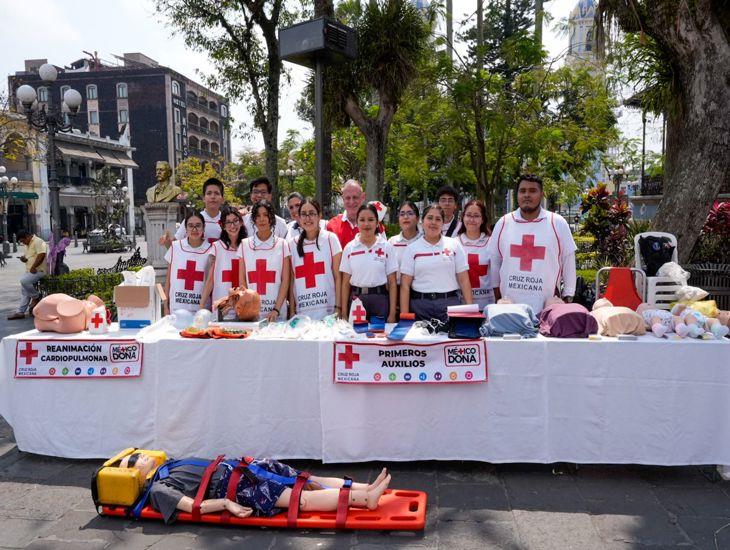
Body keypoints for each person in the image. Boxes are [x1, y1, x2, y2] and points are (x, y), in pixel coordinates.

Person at [119, 451, 391, 524]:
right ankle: (362, 500)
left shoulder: (171, 463)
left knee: (303, 479)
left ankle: (366, 488)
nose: (141, 457)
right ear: (133, 474)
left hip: (242, 468)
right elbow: (194, 506)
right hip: (235, 490)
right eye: (134, 460)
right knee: (298, 499)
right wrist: (227, 504)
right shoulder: (158, 490)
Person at [486, 174, 577, 314]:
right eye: (522, 191)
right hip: (509, 309)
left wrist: (568, 296)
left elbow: (568, 260)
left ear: (542, 194)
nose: (527, 195)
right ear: (516, 195)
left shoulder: (557, 223)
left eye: (532, 191)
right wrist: (498, 297)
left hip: (547, 309)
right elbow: (495, 262)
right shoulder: (504, 223)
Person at [399, 205, 473, 323]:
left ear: (443, 223)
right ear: (422, 222)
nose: (433, 222)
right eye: (430, 218)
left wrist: (470, 312)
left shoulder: (454, 245)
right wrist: (404, 317)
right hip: (420, 307)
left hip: (449, 305)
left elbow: (464, 280)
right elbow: (405, 286)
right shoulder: (412, 249)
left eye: (438, 219)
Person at [340, 204, 398, 323]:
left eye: (371, 220)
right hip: (357, 300)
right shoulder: (350, 248)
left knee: (380, 339)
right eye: (362, 220)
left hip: (380, 301)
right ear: (357, 222)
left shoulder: (386, 247)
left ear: (377, 223)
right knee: (357, 339)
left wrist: (392, 313)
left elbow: (392, 283)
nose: (366, 224)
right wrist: (344, 313)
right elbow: (345, 283)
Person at [289, 198, 342, 320]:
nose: (308, 218)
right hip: (302, 315)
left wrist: (338, 308)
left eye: (312, 213)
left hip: (328, 313)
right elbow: (292, 280)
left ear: (319, 216)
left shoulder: (330, 239)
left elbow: (338, 277)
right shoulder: (292, 244)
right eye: (303, 214)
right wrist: (292, 310)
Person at [240, 200, 291, 321]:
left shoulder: (282, 244)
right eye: (258, 216)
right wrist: (249, 308)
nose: (261, 219)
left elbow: (285, 280)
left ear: (271, 218)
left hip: (277, 314)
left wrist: (276, 309)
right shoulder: (244, 244)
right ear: (254, 220)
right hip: (253, 314)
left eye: (265, 215)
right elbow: (242, 280)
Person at [200, 207, 247, 319]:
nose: (232, 225)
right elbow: (211, 279)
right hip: (221, 304)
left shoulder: (247, 246)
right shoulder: (217, 247)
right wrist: (201, 305)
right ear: (223, 226)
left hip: (242, 305)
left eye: (235, 221)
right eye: (228, 222)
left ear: (241, 222)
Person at [164, 211, 212, 315]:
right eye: (190, 226)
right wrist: (165, 306)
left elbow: (211, 281)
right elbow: (168, 278)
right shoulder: (175, 247)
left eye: (198, 226)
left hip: (200, 310)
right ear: (185, 229)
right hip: (176, 309)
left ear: (204, 228)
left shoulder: (211, 250)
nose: (194, 229)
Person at [457, 200, 498, 310]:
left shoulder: (492, 242)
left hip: (487, 305)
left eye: (476, 216)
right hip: (461, 305)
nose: (471, 219)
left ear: (483, 219)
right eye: (468, 215)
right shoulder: (454, 243)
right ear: (462, 217)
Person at [161, 178, 226, 247]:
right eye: (209, 193)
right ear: (203, 198)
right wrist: (167, 242)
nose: (213, 197)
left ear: (222, 199)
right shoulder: (192, 220)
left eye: (217, 193)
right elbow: (174, 244)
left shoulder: (228, 222)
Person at [7, 229, 47, 320]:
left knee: (24, 281)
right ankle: (20, 312)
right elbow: (29, 257)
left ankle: (36, 297)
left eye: (23, 240)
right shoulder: (28, 244)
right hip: (30, 271)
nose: (23, 243)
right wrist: (23, 259)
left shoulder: (39, 241)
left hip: (39, 271)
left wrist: (33, 267)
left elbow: (42, 255)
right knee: (24, 291)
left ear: (28, 237)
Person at [326, 179, 367, 248]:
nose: (351, 202)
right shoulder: (332, 226)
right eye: (348, 198)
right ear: (343, 199)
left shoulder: (374, 225)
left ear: (363, 197)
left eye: (355, 197)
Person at [388, 201, 421, 285]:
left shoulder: (424, 240)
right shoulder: (392, 242)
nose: (406, 217)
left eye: (410, 213)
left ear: (417, 219)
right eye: (402, 214)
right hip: (397, 289)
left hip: (420, 293)